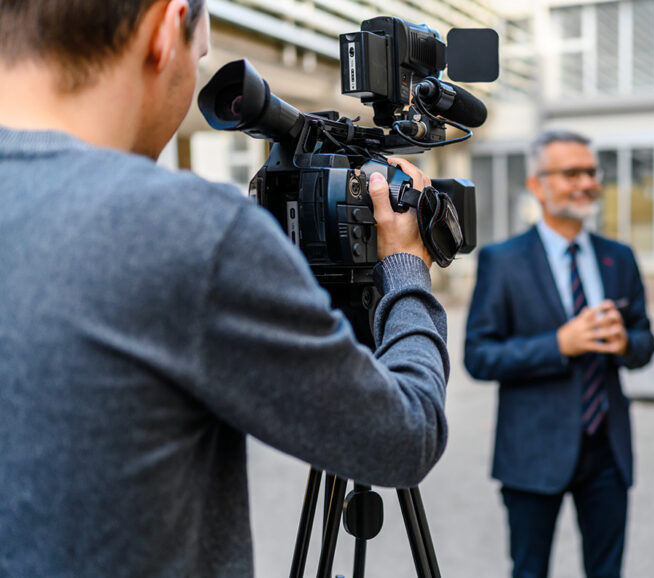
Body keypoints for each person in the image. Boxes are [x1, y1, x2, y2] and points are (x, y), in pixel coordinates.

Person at [0, 1, 449, 576]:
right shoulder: (181, 229)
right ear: (167, 27)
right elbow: (404, 437)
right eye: (199, 52)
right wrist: (406, 267)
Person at [464, 130, 654, 578]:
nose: (586, 182)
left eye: (591, 172)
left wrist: (625, 343)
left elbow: (645, 342)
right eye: (571, 173)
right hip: (532, 452)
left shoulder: (619, 258)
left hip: (608, 448)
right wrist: (558, 345)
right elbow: (478, 356)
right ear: (537, 186)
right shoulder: (503, 261)